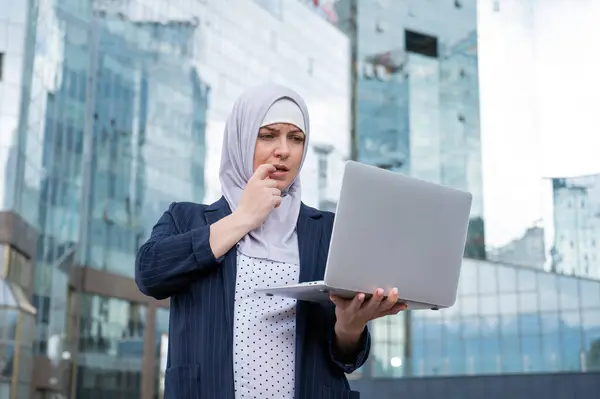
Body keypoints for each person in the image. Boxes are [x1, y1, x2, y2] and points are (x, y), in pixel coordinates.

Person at [135, 83, 406, 399]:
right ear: (241, 139)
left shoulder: (329, 231)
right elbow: (149, 274)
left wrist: (350, 327)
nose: (284, 150)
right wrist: (243, 219)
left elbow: (347, 359)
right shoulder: (186, 219)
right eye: (268, 135)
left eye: (296, 138)